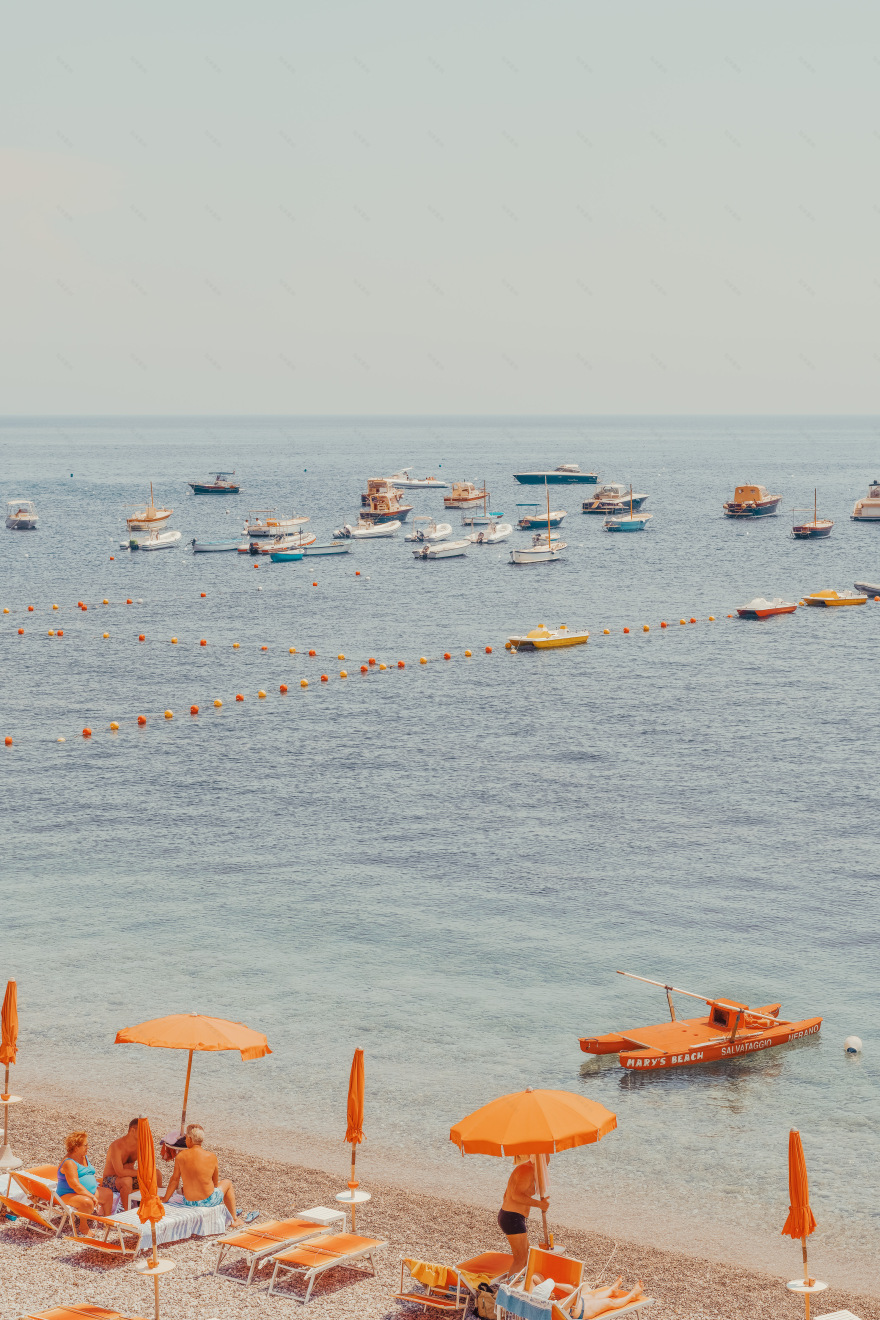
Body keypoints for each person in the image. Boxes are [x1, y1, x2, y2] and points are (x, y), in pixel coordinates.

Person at [161, 1122, 242, 1226]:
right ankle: (234, 1220)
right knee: (227, 1183)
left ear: (189, 1139)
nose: (185, 1140)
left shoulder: (181, 1156)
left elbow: (174, 1180)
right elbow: (215, 1184)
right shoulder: (212, 1157)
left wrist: (165, 1199)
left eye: (185, 1138)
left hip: (188, 1201)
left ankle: (233, 1218)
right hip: (207, 1201)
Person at [497, 1154, 550, 1274]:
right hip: (512, 1217)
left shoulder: (531, 1170)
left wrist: (540, 1202)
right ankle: (507, 1290)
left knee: (527, 1256)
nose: (547, 1162)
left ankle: (517, 1284)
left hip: (513, 1217)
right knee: (520, 1259)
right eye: (546, 1157)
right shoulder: (527, 1170)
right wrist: (539, 1204)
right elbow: (515, 1195)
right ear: (539, 1157)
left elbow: (507, 1195)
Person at [56, 1131, 100, 1236]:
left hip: (80, 1191)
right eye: (85, 1145)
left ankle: (104, 1220)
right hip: (67, 1194)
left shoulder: (82, 1156)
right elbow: (74, 1185)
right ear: (76, 1148)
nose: (88, 1147)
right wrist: (90, 1196)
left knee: (107, 1193)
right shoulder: (69, 1162)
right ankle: (83, 1226)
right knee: (87, 1202)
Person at [98, 1118, 145, 1214]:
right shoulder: (117, 1146)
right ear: (132, 1130)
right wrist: (141, 1172)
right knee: (127, 1180)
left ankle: (155, 1206)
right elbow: (120, 1172)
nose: (145, 1134)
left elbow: (145, 1165)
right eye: (142, 1132)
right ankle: (126, 1213)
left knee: (156, 1174)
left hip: (130, 1177)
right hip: (110, 1181)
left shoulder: (140, 1145)